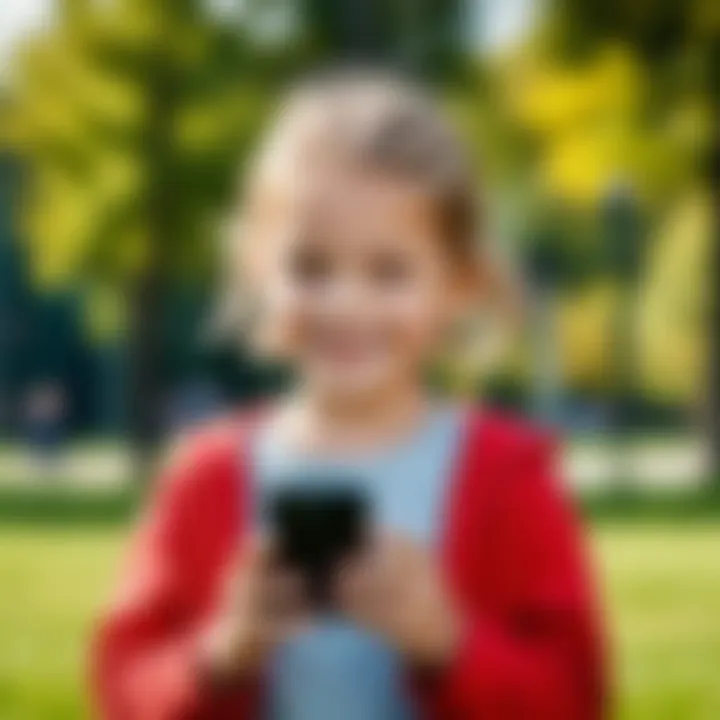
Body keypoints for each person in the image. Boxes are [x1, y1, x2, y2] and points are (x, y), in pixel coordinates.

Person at [92, 72, 605, 719]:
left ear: (458, 283)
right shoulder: (204, 477)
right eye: (309, 266)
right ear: (257, 267)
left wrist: (451, 645)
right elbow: (125, 690)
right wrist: (222, 653)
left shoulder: (509, 479)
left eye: (389, 272)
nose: (344, 304)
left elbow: (573, 697)